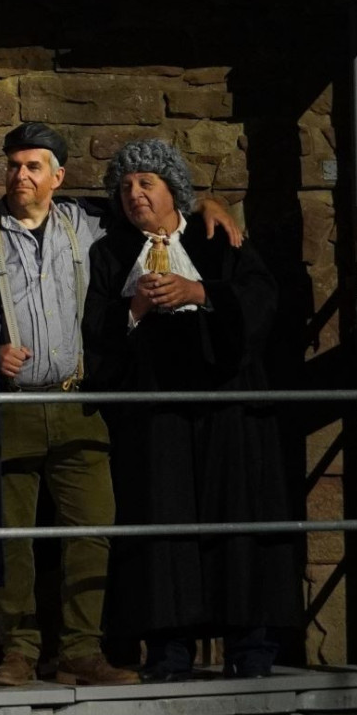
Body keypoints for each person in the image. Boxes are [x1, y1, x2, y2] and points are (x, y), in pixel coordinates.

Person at [0, 122, 241, 688]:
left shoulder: (89, 225)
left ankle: (80, 652)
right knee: (11, 537)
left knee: (92, 529)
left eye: (34, 166)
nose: (21, 175)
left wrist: (205, 202)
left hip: (78, 404)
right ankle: (18, 651)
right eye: (14, 165)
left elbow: (152, 206)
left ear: (58, 176)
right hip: (10, 407)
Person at [83, 138, 303, 681]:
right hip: (156, 413)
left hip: (228, 407)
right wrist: (135, 307)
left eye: (146, 183)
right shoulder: (110, 254)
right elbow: (97, 329)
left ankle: (250, 647)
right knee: (162, 525)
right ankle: (168, 649)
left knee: (240, 518)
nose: (134, 194)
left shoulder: (217, 238)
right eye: (125, 186)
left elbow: (263, 300)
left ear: (173, 189)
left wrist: (200, 293)